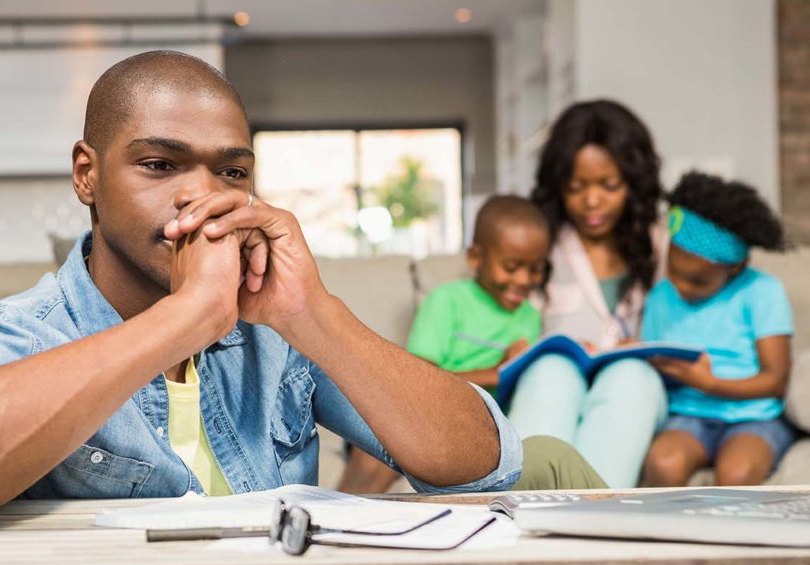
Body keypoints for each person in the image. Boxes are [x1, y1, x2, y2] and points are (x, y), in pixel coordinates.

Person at [0, 51, 530, 537]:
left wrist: (311, 313)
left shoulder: (279, 337)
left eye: (231, 171)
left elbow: (484, 465)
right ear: (87, 175)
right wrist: (183, 317)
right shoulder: (17, 331)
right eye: (159, 164)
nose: (202, 194)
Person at [338, 195, 607, 493]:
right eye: (512, 266)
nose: (523, 280)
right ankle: (333, 522)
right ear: (476, 258)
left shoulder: (530, 316)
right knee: (377, 454)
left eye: (535, 269)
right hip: (426, 415)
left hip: (484, 429)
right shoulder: (447, 301)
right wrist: (496, 371)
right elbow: (417, 384)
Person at [506, 100, 669, 489]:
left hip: (634, 384)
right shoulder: (537, 243)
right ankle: (524, 511)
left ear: (634, 182)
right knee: (551, 373)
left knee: (631, 376)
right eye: (576, 187)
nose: (592, 202)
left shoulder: (662, 246)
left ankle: (593, 525)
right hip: (554, 379)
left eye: (608, 186)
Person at [641, 172, 794, 487]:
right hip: (687, 415)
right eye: (674, 272)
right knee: (664, 462)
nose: (681, 287)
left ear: (734, 269)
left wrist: (710, 383)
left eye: (698, 281)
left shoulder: (762, 291)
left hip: (754, 417)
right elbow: (653, 361)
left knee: (736, 472)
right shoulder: (660, 296)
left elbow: (775, 380)